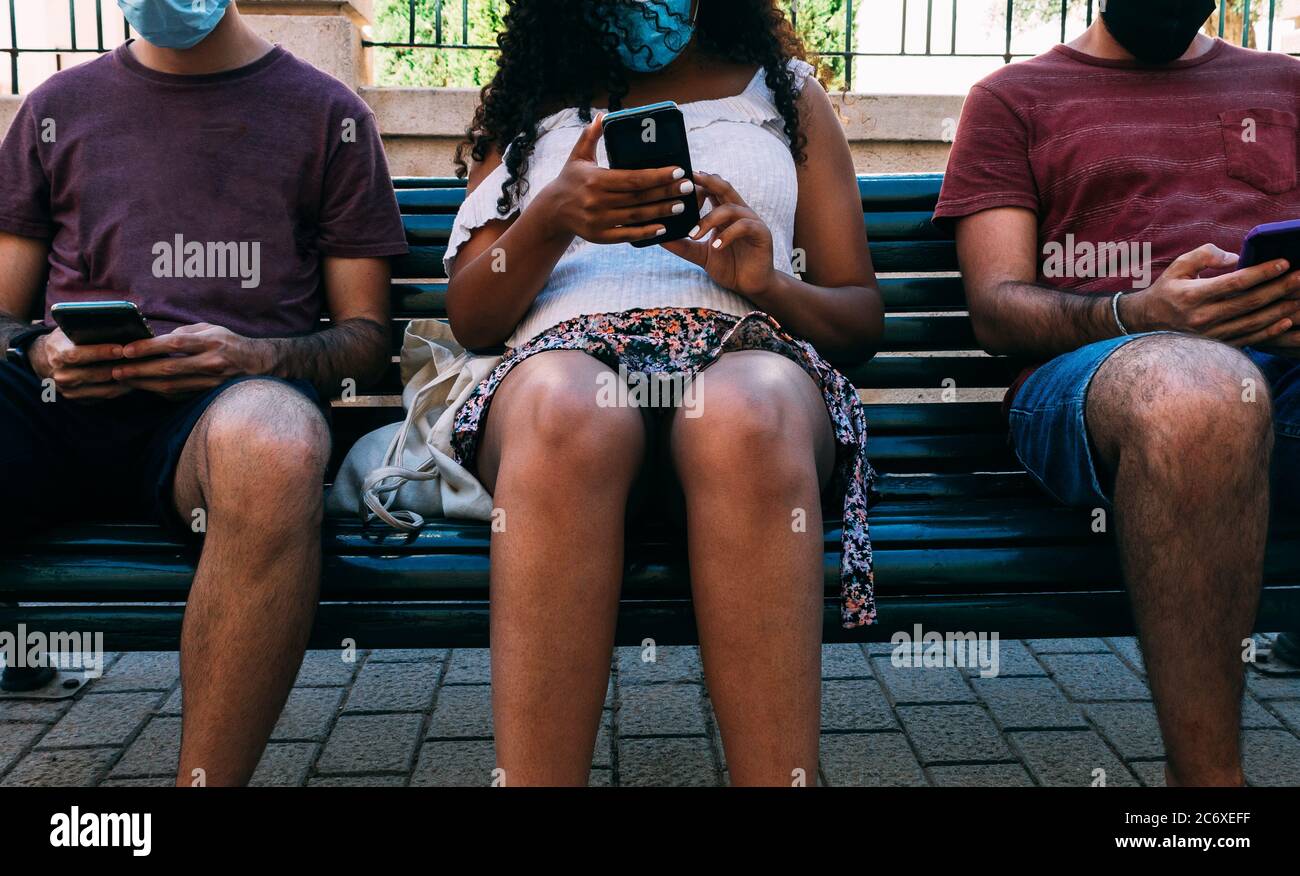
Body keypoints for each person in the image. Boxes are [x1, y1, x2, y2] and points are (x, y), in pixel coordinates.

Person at [444, 0, 883, 786]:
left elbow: (857, 318)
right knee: (564, 412)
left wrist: (770, 283)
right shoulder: (532, 101)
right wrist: (550, 219)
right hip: (564, 374)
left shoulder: (783, 94)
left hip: (744, 360)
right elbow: (475, 316)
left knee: (742, 415)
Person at [0, 0, 408, 785]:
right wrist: (42, 349)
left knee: (277, 444)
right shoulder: (56, 108)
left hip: (216, 420)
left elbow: (366, 342)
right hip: (57, 411)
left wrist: (248, 354)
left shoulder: (329, 115)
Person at [934, 0, 1300, 786]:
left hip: (1286, 377)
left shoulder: (1287, 84)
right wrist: (1137, 311)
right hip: (1101, 373)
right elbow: (998, 307)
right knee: (1201, 388)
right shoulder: (1014, 98)